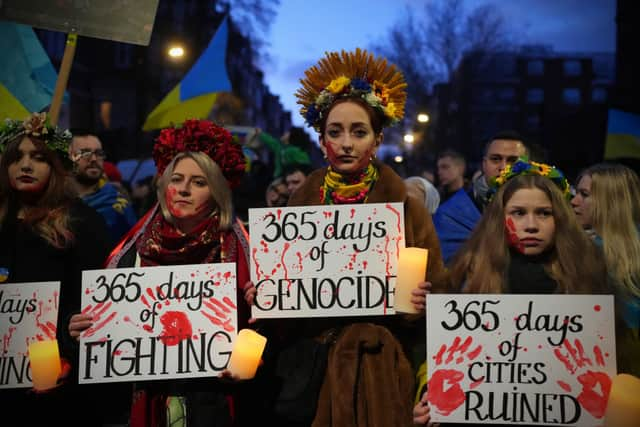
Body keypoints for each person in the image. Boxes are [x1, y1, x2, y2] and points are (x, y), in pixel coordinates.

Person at [246, 48, 445, 427]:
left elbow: (438, 301)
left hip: (380, 371)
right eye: (335, 132)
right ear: (322, 141)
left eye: (359, 132)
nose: (346, 143)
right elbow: (284, 311)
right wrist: (266, 296)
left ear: (376, 139)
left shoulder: (406, 207)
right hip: (308, 372)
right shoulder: (298, 203)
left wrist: (421, 302)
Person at [68, 119, 253, 427]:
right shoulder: (133, 250)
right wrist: (79, 330)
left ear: (217, 190)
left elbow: (262, 335)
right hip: (146, 400)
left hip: (215, 401)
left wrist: (257, 328)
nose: (182, 189)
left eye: (198, 182)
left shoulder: (238, 248)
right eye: (176, 179)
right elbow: (106, 327)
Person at [412, 158, 608, 426]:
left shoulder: (586, 277)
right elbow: (439, 354)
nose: (531, 225)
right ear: (499, 218)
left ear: (560, 218)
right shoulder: (469, 273)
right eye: (518, 213)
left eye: (544, 213)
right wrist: (427, 397)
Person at [0, 113, 111, 426]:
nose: (25, 166)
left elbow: (97, 300)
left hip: (56, 382)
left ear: (56, 167)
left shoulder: (83, 223)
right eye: (16, 158)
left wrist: (68, 336)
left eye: (38, 158)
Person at [571, 163, 640, 377]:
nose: (573, 202)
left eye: (584, 195)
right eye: (576, 193)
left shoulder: (590, 252)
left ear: (611, 202)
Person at [433, 131, 528, 264]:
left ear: (528, 166)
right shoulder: (450, 214)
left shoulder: (546, 207)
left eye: (513, 161)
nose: (503, 167)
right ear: (484, 164)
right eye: (495, 159)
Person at [69, 130, 137, 245]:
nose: (94, 159)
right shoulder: (55, 201)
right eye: (85, 153)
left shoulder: (118, 204)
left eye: (99, 153)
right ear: (69, 158)